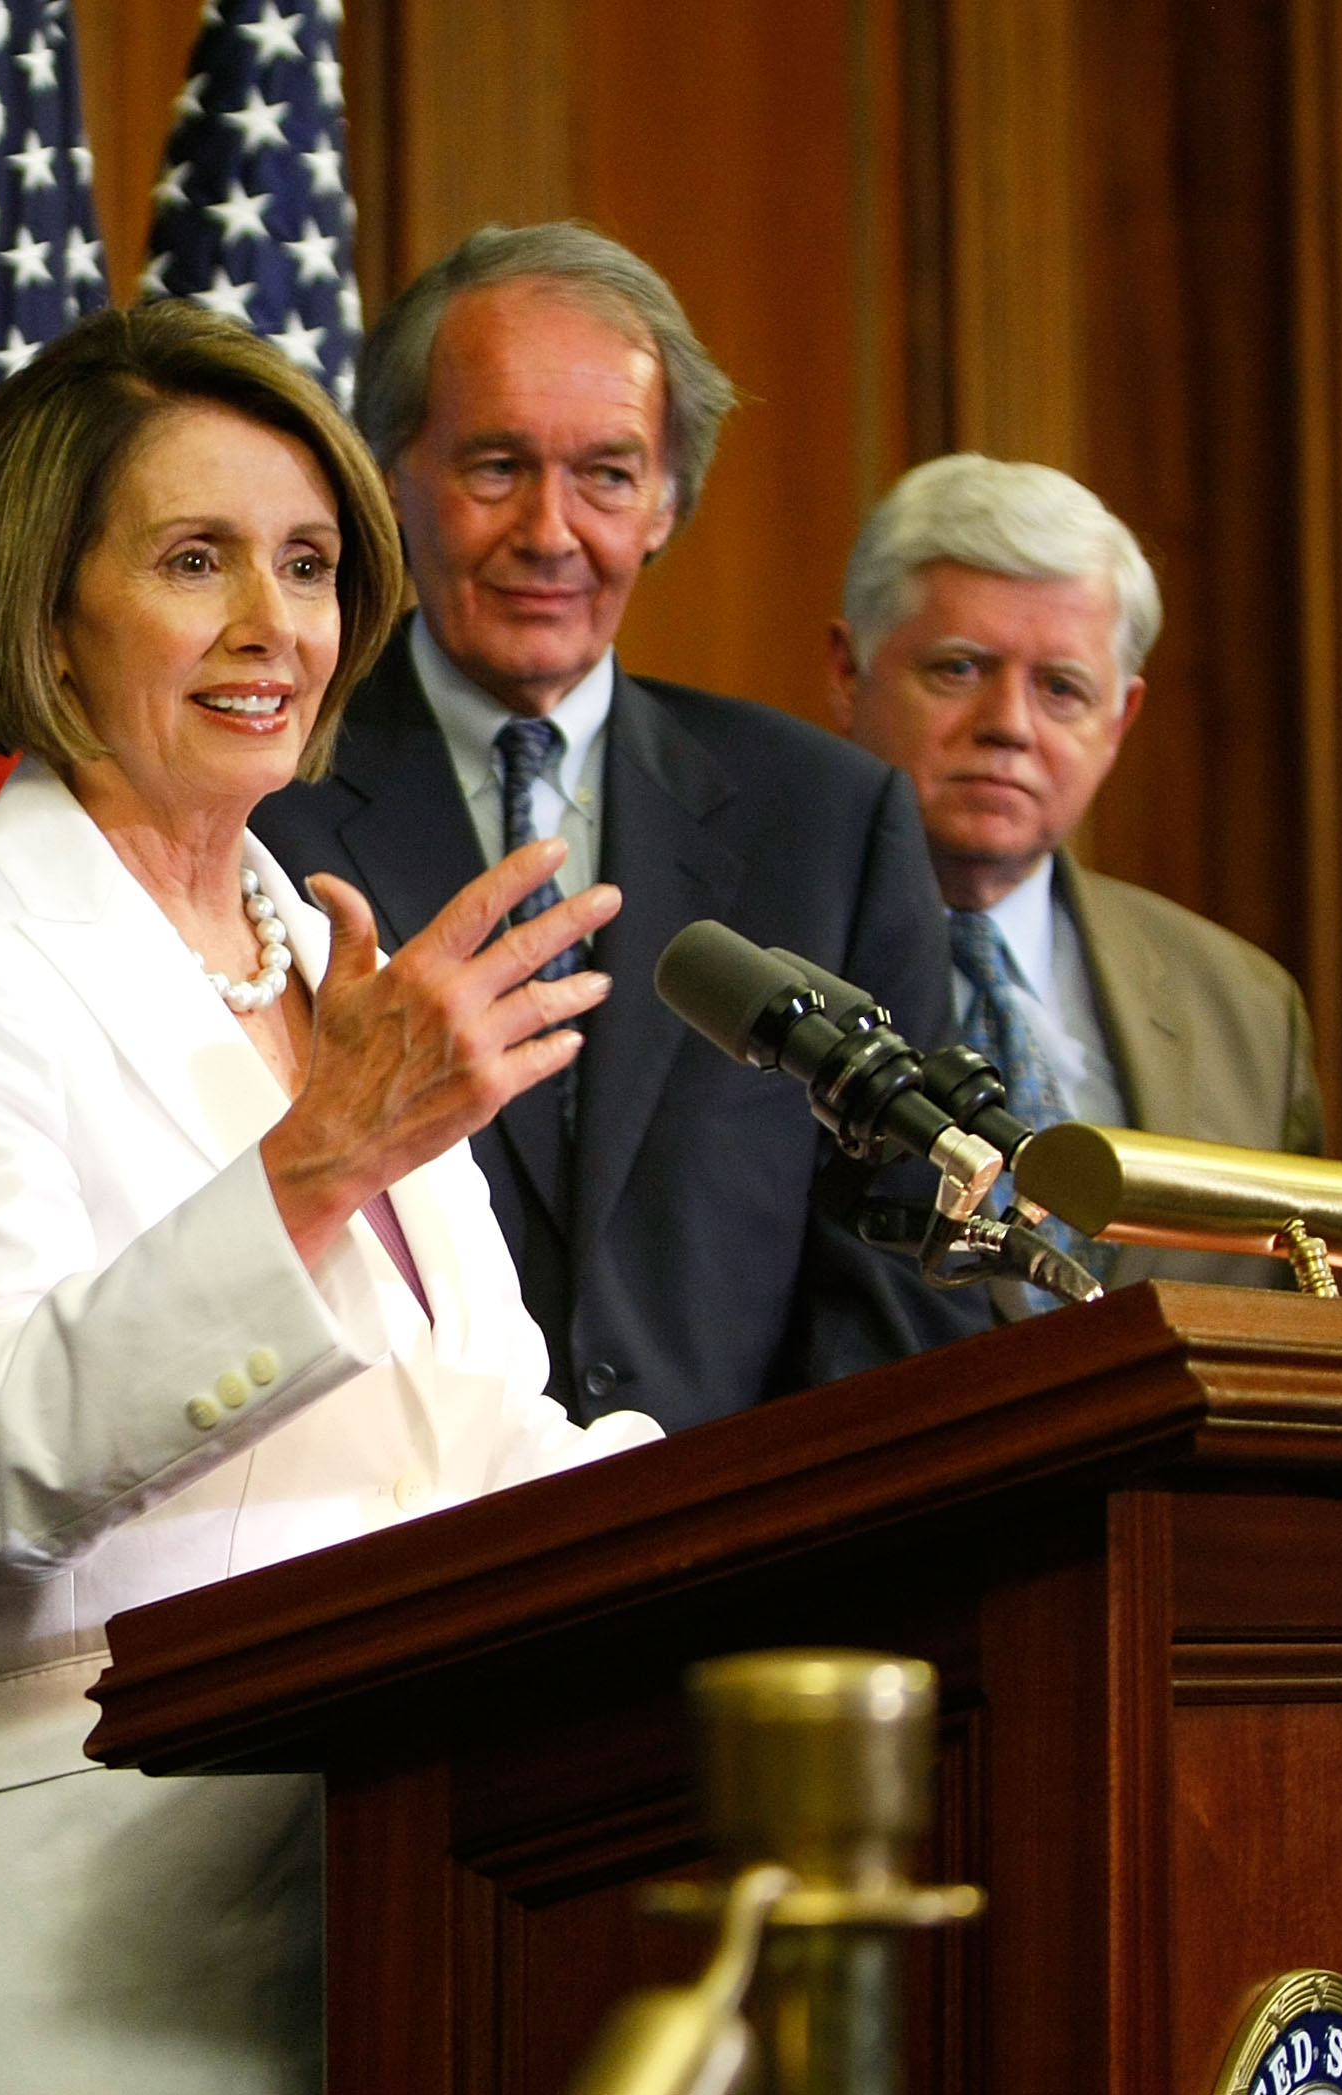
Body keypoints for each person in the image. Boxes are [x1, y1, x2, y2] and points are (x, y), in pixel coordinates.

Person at [0, 299, 661, 2094]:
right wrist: (320, 1162)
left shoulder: (321, 956)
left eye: (312, 564)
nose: (277, 626)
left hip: (394, 1900)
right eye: (198, 561)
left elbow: (473, 1435)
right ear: (48, 607)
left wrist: (721, 1527)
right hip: (84, 1955)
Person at [255, 223, 986, 1433]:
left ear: (666, 502)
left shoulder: (831, 821)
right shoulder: (270, 801)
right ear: (390, 475)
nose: (551, 532)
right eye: (496, 467)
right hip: (381, 1557)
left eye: (606, 474)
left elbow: (897, 1272)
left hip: (745, 1576)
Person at [830, 452, 1324, 1293]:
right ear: (850, 673)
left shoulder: (1246, 1010)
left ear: (1120, 719)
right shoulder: (756, 967)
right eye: (960, 668)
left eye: (1061, 688)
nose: (1009, 725)